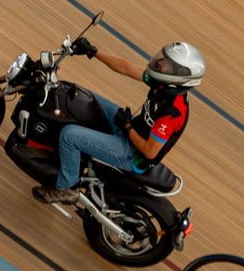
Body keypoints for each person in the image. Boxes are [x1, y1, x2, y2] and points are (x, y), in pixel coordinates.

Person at [32, 37, 206, 204]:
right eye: (164, 58)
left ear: (178, 76)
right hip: (130, 128)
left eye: (168, 64)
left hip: (131, 153)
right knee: (86, 99)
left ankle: (65, 188)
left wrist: (128, 127)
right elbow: (127, 68)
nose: (160, 63)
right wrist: (93, 51)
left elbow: (149, 151)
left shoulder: (172, 113)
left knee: (69, 136)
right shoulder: (164, 84)